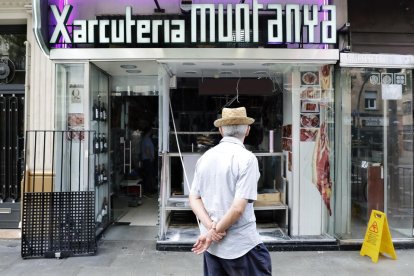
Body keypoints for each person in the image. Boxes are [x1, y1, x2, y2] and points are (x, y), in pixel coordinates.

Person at [189, 107, 272, 276]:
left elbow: (194, 197)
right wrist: (213, 232)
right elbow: (237, 209)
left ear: (220, 130)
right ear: (247, 130)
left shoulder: (204, 158)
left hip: (213, 247)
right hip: (241, 246)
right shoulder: (247, 159)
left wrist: (210, 230)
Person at [141, 127, 155, 195]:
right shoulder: (146, 139)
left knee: (149, 175)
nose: (152, 132)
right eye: (151, 130)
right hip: (147, 160)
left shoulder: (147, 139)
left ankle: (149, 189)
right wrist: (151, 158)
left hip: (147, 159)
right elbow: (147, 150)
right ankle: (147, 190)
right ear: (149, 131)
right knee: (148, 175)